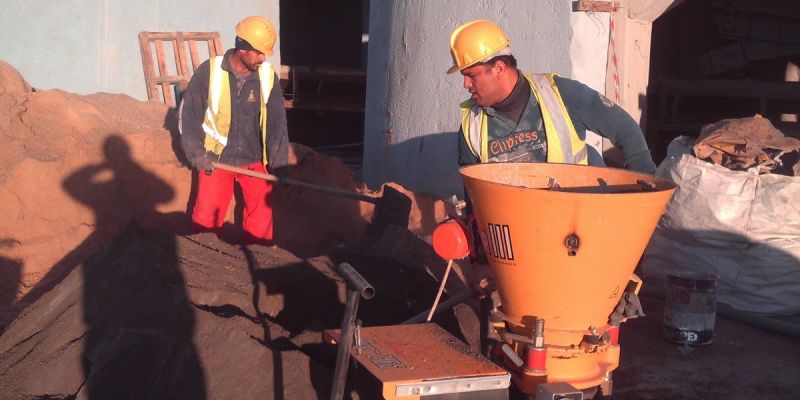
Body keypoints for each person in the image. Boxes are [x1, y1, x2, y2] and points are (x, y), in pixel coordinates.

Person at [448, 19, 656, 173]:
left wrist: (644, 184)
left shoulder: (561, 94)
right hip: (512, 228)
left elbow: (624, 128)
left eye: (471, 76)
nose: (466, 84)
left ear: (499, 69)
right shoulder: (471, 124)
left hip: (573, 223)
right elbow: (473, 192)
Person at [179, 16, 289, 245]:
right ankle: (203, 268)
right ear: (242, 48)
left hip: (255, 160)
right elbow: (188, 116)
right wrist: (197, 155)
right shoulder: (209, 71)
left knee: (261, 222)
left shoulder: (267, 77)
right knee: (205, 222)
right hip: (216, 159)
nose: (263, 58)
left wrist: (280, 167)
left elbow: (277, 124)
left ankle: (258, 262)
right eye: (258, 52)